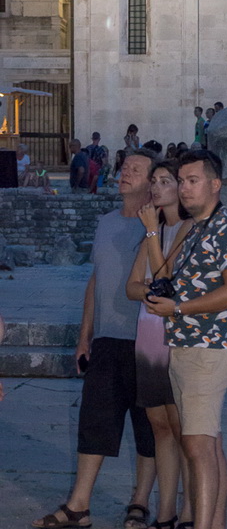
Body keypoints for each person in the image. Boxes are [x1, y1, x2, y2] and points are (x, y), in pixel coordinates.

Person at [33, 151, 158, 529]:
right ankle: (79, 505)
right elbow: (95, 280)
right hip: (106, 337)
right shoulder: (105, 223)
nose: (125, 173)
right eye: (124, 167)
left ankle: (140, 501)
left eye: (135, 170)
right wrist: (84, 336)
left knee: (148, 426)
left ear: (152, 181)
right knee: (94, 419)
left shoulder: (161, 225)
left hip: (147, 338)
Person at [144, 149, 227, 529]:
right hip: (185, 346)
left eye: (193, 181)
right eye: (182, 181)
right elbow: (169, 274)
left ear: (215, 184)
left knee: (197, 446)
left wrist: (177, 309)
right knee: (209, 444)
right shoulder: (195, 229)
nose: (185, 189)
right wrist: (155, 233)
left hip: (210, 346)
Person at [126, 159, 193, 529]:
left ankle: (188, 512)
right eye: (155, 181)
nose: (156, 187)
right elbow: (133, 285)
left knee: (184, 428)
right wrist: (149, 291)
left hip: (179, 337)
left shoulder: (188, 230)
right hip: (149, 335)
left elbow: (166, 279)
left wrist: (153, 232)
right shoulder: (153, 230)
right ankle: (165, 511)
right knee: (159, 425)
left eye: (165, 180)